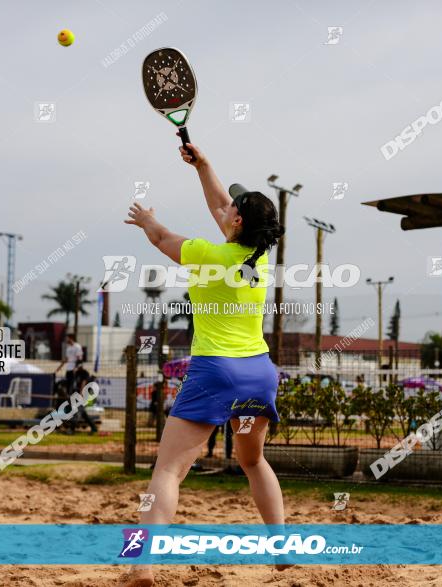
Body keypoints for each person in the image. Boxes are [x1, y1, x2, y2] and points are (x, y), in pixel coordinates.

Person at [121, 141, 286, 586]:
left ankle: (142, 565)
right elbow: (221, 207)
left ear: (236, 222)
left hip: (217, 372)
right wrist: (205, 165)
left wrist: (147, 220)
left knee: (169, 470)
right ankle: (281, 549)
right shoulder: (260, 255)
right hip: (259, 373)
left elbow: (159, 239)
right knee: (253, 462)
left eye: (233, 206)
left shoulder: (208, 255)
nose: (226, 206)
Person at [54, 333, 83, 402]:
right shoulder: (68, 348)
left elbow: (79, 358)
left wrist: (76, 368)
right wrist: (59, 367)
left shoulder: (77, 346)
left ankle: (75, 400)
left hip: (74, 370)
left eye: (67, 338)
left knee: (73, 386)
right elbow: (66, 359)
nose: (66, 340)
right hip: (68, 369)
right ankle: (68, 400)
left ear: (71, 338)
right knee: (68, 385)